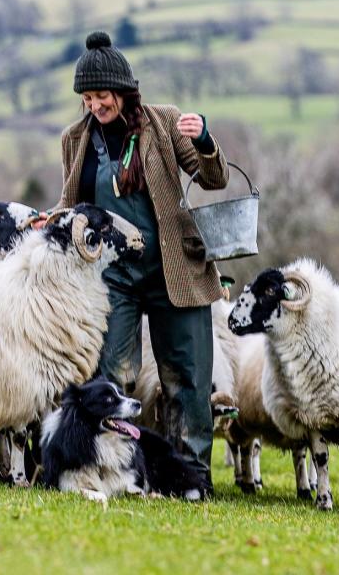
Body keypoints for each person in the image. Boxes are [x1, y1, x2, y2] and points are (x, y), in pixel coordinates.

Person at [44, 31, 230, 489]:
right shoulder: (75, 140)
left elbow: (215, 178)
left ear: (124, 91)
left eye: (101, 96)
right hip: (113, 278)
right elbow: (73, 203)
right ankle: (109, 469)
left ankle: (193, 478)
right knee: (112, 377)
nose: (94, 106)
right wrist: (50, 221)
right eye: (86, 98)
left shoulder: (163, 123)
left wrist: (205, 140)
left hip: (176, 272)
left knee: (186, 381)